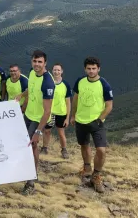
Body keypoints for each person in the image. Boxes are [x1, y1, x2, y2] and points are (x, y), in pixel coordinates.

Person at [15, 50, 55, 195]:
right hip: (28, 115)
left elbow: (47, 111)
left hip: (38, 119)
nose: (37, 64)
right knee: (25, 143)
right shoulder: (32, 73)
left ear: (45, 63)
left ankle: (31, 181)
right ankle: (29, 171)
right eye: (35, 61)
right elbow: (30, 89)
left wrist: (38, 131)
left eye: (40, 62)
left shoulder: (47, 83)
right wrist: (22, 94)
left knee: (32, 144)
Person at [70, 57, 113, 193]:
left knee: (101, 150)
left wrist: (100, 119)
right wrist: (73, 115)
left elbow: (109, 106)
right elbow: (75, 99)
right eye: (89, 68)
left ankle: (96, 175)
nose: (91, 71)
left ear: (98, 69)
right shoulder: (80, 81)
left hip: (97, 122)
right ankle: (87, 168)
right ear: (85, 69)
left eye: (94, 68)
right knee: (84, 145)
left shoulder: (104, 84)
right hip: (81, 120)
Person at [41, 63, 72, 159]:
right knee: (47, 131)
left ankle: (64, 149)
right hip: (49, 112)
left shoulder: (65, 84)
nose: (56, 72)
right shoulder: (48, 82)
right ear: (52, 71)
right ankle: (44, 148)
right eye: (55, 70)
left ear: (62, 71)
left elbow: (68, 102)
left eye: (58, 70)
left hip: (61, 113)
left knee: (61, 133)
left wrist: (67, 118)